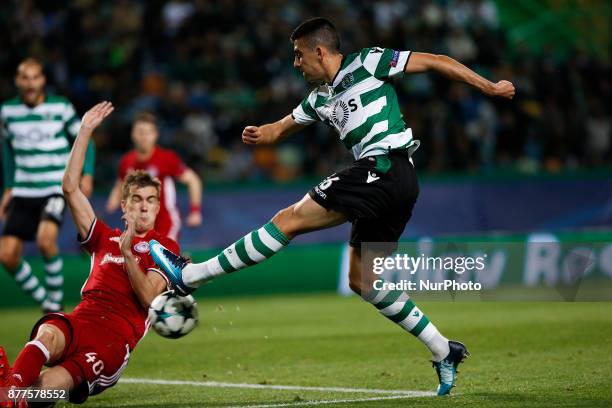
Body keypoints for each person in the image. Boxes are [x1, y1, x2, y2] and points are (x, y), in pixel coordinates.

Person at [149, 17, 515, 395]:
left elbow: (436, 60)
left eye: (298, 55)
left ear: (319, 51)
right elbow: (283, 126)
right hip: (396, 183)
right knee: (363, 282)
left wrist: (488, 86)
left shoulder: (369, 62)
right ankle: (443, 349)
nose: (295, 63)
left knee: (287, 221)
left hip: (386, 166)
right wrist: (261, 133)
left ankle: (189, 277)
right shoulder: (320, 98)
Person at [0, 102, 177, 405]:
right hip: (83, 319)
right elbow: (70, 188)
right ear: (124, 206)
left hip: (112, 341)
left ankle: (15, 393)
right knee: (47, 332)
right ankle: (11, 390)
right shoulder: (104, 237)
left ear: (159, 206)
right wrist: (84, 131)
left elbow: (150, 298)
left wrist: (129, 255)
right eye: (136, 199)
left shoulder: (167, 248)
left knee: (48, 386)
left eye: (151, 200)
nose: (144, 206)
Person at [0, 58, 96, 313]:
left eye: (34, 77)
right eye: (24, 77)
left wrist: (87, 173)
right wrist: (8, 188)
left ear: (43, 80)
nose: (30, 83)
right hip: (23, 189)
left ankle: (54, 304)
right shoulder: (7, 112)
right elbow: (7, 151)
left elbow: (87, 140)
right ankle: (48, 303)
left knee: (45, 240)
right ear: (17, 81)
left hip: (54, 186)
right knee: (7, 255)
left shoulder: (61, 107)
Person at [106, 112, 203, 241]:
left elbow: (193, 180)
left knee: (164, 260)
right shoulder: (126, 161)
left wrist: (195, 210)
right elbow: (120, 185)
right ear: (133, 134)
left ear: (155, 135)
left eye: (148, 132)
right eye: (140, 132)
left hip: (165, 223)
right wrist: (113, 201)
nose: (144, 137)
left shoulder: (167, 158)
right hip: (137, 225)